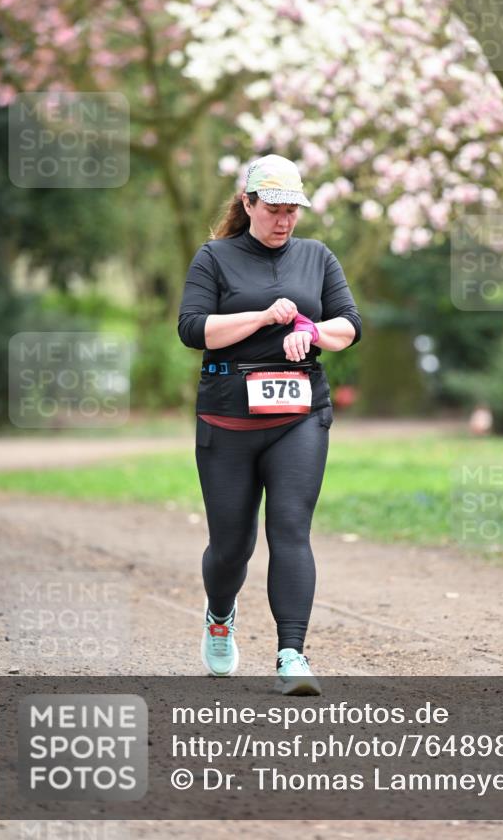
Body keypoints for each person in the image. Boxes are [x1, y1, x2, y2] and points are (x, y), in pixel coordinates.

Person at [178, 154, 362, 695]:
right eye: (274, 208)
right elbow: (193, 329)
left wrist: (311, 331)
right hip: (227, 415)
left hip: (299, 414)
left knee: (290, 530)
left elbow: (349, 325)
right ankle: (219, 614)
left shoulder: (317, 257)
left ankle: (291, 656)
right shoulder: (215, 258)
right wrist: (261, 318)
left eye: (293, 210)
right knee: (231, 545)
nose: (284, 220)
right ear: (249, 203)